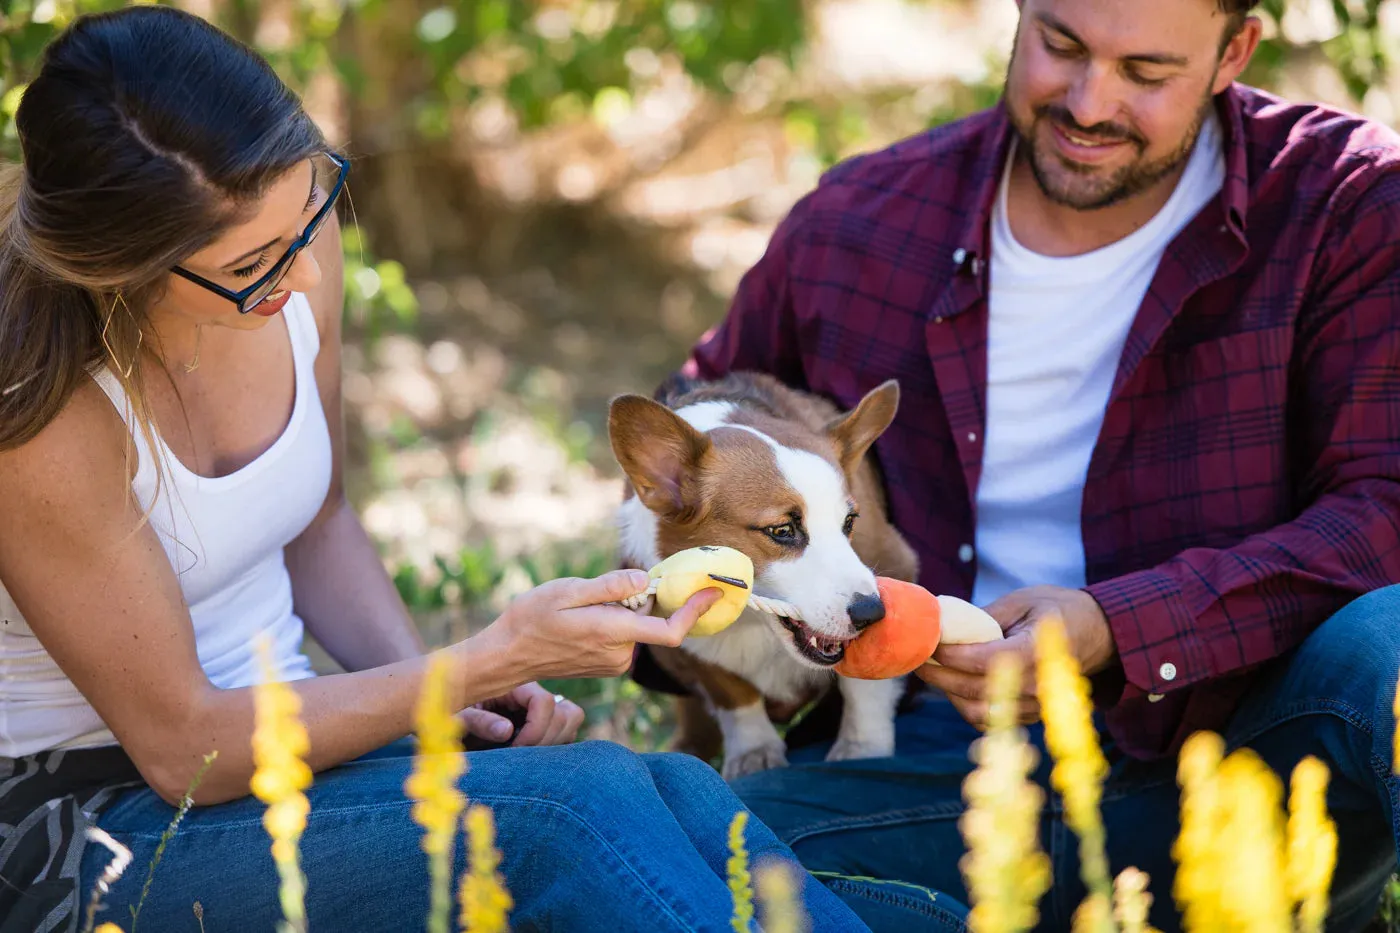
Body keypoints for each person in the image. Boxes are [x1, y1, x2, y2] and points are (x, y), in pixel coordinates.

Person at [0, 8, 913, 933]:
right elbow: (182, 746)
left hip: (298, 741)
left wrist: (453, 698)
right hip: (89, 822)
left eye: (312, 207)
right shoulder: (37, 410)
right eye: (251, 264)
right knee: (568, 819)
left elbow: (318, 525)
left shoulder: (286, 245)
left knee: (659, 781)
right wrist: (481, 661)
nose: (305, 279)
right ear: (122, 270)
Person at [670, 0, 1400, 929]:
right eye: (1061, 45)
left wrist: (1116, 625)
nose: (1090, 102)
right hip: (920, 758)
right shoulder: (853, 224)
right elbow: (691, 432)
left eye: (1146, 72)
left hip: (1246, 740)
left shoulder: (1348, 203)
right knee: (646, 845)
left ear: (1234, 52)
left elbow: (1386, 509)